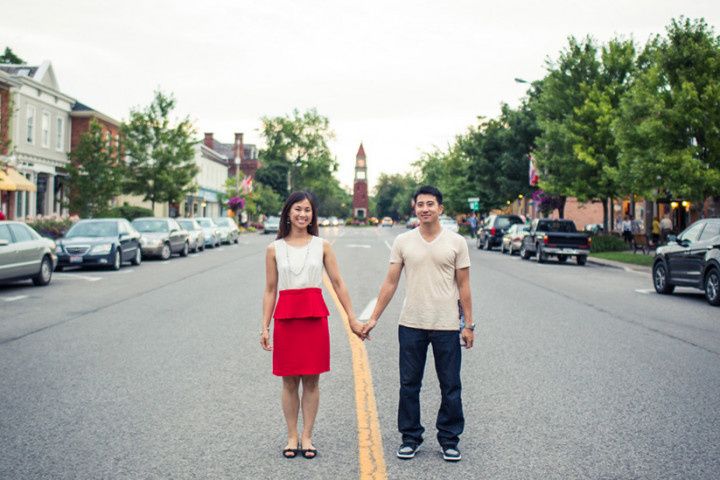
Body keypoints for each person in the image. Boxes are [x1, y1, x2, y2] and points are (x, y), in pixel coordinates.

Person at [361, 185, 474, 462]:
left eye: (430, 204)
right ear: (415, 208)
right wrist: (373, 317)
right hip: (411, 324)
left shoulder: (456, 242)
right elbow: (390, 282)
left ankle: (449, 439)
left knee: (450, 385)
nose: (425, 208)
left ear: (440, 208)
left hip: (447, 326)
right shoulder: (403, 241)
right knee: (409, 385)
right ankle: (410, 438)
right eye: (421, 204)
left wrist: (468, 324)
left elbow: (464, 286)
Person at [260, 191, 364, 459]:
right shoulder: (274, 249)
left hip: (314, 316)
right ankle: (291, 435)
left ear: (312, 215)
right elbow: (270, 290)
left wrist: (352, 317)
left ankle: (307, 436)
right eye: (297, 209)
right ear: (288, 213)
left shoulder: (323, 246)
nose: (302, 214)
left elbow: (339, 283)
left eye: (307, 210)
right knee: (289, 381)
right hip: (286, 317)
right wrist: (265, 326)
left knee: (312, 381)